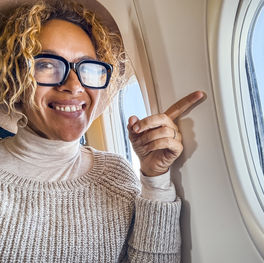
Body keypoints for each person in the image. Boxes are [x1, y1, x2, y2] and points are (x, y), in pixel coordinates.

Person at [0, 0, 204, 262]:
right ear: (14, 78)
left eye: (87, 67)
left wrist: (155, 178)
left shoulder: (116, 173)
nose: (74, 86)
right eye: (47, 64)